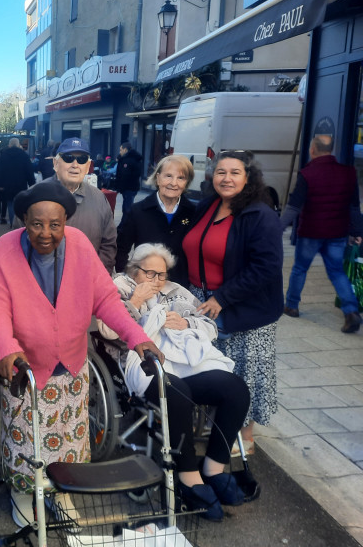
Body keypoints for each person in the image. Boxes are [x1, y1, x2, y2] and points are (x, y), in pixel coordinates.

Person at [0, 182, 160, 527]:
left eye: (55, 225)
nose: (45, 233)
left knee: (67, 439)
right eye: (36, 224)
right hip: (25, 368)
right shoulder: (6, 248)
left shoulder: (79, 246)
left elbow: (105, 299)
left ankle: (59, 493)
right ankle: (22, 493)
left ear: (66, 222)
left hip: (73, 366)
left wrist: (137, 337)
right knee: (26, 440)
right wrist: (6, 347)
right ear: (24, 221)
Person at [100, 243, 250, 522]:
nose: (157, 280)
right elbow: (107, 329)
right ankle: (188, 476)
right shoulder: (119, 286)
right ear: (135, 270)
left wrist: (186, 324)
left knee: (236, 389)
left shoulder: (177, 291)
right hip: (140, 359)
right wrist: (134, 301)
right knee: (174, 391)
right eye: (150, 273)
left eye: (162, 274)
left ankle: (214, 468)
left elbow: (210, 327)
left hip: (184, 359)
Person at [182, 150, 283, 454]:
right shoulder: (209, 205)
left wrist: (222, 298)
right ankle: (220, 426)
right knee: (216, 371)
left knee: (244, 372)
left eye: (235, 172)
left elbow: (266, 267)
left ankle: (245, 438)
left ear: (248, 177)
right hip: (204, 302)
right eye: (221, 172)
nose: (226, 178)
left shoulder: (258, 214)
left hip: (242, 308)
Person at [281, 137, 362, 333]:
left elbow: (294, 207)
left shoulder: (308, 174)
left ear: (313, 149)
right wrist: (358, 231)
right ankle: (351, 311)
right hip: (337, 233)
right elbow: (353, 206)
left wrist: (276, 228)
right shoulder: (348, 173)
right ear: (331, 150)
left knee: (300, 268)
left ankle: (292, 306)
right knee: (336, 271)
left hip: (311, 232)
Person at [116, 155, 196, 285]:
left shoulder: (193, 212)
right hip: (145, 285)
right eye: (168, 176)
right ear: (158, 178)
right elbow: (121, 249)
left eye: (180, 178)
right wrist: (129, 278)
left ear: (186, 182)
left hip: (181, 287)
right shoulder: (138, 211)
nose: (173, 183)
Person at [44, 137, 117, 272]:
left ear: (88, 166)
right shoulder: (36, 196)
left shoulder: (99, 199)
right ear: (55, 163)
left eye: (82, 159)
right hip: (43, 284)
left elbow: (108, 245)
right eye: (68, 158)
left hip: (86, 284)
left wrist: (96, 278)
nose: (75, 164)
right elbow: (19, 244)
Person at [0, 137, 36, 228]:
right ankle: (20, 224)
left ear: (9, 145)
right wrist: (32, 184)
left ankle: (13, 224)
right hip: (21, 185)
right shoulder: (24, 156)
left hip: (7, 186)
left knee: (10, 204)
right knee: (21, 204)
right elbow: (29, 171)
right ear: (19, 144)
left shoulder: (2, 156)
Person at [115, 141, 144, 215]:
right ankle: (124, 224)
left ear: (125, 150)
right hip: (129, 187)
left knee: (127, 208)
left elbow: (125, 175)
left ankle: (126, 225)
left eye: (121, 150)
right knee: (126, 206)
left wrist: (120, 187)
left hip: (129, 187)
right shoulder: (127, 159)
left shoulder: (129, 160)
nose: (120, 152)